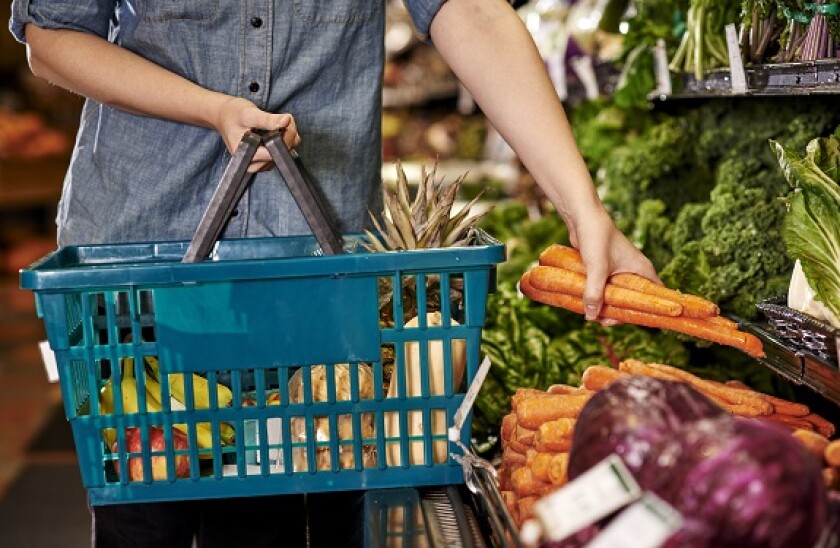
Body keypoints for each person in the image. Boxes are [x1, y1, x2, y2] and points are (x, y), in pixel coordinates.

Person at [10, 0, 659, 546]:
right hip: (137, 264)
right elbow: (52, 36)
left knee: (291, 520)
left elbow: (473, 14)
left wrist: (583, 208)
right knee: (144, 520)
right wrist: (208, 109)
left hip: (311, 274)